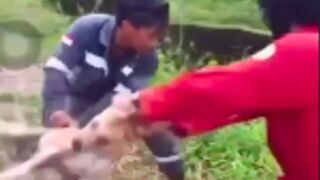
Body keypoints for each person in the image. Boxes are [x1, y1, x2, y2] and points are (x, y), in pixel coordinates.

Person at [114, 0, 319, 179]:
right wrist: (172, 118)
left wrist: (145, 104)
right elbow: (254, 98)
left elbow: (224, 86)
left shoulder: (304, 50)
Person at [41, 0, 185, 179]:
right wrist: (57, 111)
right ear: (127, 26)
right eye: (152, 36)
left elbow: (116, 103)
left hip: (112, 110)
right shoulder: (87, 28)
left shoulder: (148, 60)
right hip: (72, 102)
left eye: (160, 37)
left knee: (154, 122)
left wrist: (82, 128)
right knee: (61, 155)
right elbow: (56, 70)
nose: (156, 43)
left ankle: (176, 173)